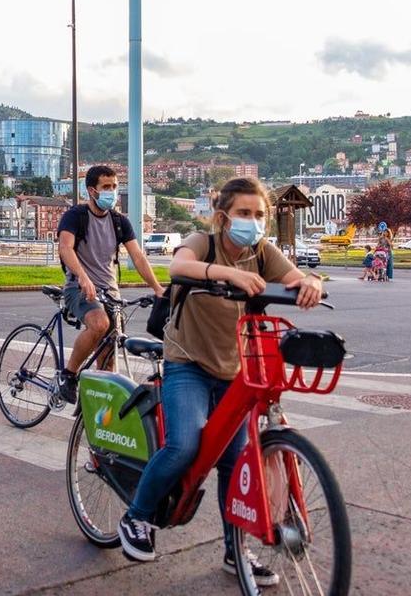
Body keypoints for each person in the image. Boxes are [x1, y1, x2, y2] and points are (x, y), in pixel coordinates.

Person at [117, 177, 323, 586]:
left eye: (259, 214)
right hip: (188, 363)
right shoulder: (204, 243)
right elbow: (178, 266)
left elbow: (296, 276)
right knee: (183, 446)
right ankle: (137, 517)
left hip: (235, 370)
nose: (253, 222)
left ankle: (236, 550)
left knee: (237, 460)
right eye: (244, 214)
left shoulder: (261, 251)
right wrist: (223, 276)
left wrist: (312, 283)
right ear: (223, 216)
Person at [56, 164, 165, 402]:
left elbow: (138, 257)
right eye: (106, 187)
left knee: (110, 353)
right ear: (91, 191)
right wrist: (83, 277)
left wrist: (157, 289)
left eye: (114, 187)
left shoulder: (119, 222)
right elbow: (65, 248)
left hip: (110, 292)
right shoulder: (76, 216)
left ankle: (103, 414)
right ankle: (69, 374)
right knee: (99, 324)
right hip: (79, 287)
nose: (112, 192)